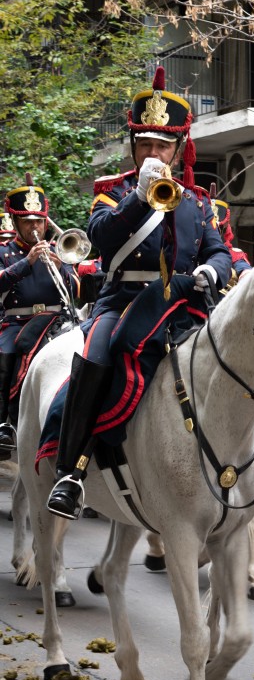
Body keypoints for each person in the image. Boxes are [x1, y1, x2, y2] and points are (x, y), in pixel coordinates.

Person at [46, 66, 232, 519]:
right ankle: (72, 470)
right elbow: (103, 239)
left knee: (239, 360)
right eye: (145, 143)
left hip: (182, 302)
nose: (154, 152)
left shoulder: (197, 203)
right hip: (124, 300)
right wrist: (141, 196)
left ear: (177, 148)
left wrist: (211, 269)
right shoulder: (112, 194)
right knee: (96, 357)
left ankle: (253, 463)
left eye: (162, 145)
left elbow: (220, 251)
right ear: (134, 147)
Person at [0, 177, 79, 459]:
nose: (35, 227)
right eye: (27, 222)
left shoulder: (57, 251)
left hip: (58, 319)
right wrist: (28, 262)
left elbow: (76, 290)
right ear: (15, 222)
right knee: (6, 353)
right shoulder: (5, 252)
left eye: (39, 221)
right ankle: (5, 423)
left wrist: (64, 268)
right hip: (18, 322)